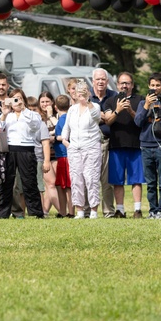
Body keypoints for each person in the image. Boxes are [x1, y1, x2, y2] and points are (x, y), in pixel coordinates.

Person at [134, 72, 161, 219]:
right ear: (148, 86)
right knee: (151, 182)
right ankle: (152, 210)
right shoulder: (142, 103)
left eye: (158, 85)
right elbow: (137, 122)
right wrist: (146, 105)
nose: (155, 88)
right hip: (146, 146)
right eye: (152, 85)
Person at [0, 88, 44, 218]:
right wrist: (4, 114)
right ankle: (2, 213)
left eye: (19, 98)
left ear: (24, 100)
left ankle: (35, 212)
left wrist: (24, 110)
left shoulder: (32, 114)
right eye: (14, 99)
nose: (17, 101)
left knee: (29, 182)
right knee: (7, 182)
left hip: (26, 149)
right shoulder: (8, 115)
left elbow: (35, 126)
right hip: (10, 149)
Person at [102, 72, 145, 218]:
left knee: (136, 179)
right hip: (116, 145)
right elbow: (108, 121)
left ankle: (137, 210)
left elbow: (142, 121)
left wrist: (131, 111)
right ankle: (120, 210)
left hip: (135, 145)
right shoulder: (110, 101)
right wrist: (118, 110)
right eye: (122, 83)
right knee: (117, 180)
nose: (124, 86)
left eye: (127, 83)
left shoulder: (140, 100)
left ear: (132, 85)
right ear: (117, 85)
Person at [61, 81, 102, 218]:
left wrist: (88, 102)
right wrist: (67, 142)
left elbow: (97, 116)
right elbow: (66, 128)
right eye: (79, 92)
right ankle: (79, 211)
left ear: (88, 92)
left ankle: (94, 211)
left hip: (91, 147)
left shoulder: (94, 106)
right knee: (76, 179)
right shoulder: (72, 109)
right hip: (74, 149)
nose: (81, 95)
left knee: (91, 179)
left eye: (84, 92)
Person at [90, 68, 116, 217]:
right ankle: (88, 210)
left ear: (107, 81)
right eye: (97, 79)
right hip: (89, 143)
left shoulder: (114, 96)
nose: (100, 82)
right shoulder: (87, 97)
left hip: (107, 141)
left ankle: (108, 211)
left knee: (107, 180)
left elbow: (114, 118)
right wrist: (101, 115)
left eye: (103, 79)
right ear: (93, 81)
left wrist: (99, 115)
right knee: (90, 177)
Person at [52, 94, 74, 218]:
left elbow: (64, 136)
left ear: (55, 107)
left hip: (64, 155)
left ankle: (68, 211)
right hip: (63, 155)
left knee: (66, 185)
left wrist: (54, 137)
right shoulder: (67, 117)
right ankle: (64, 211)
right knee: (61, 184)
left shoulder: (63, 118)